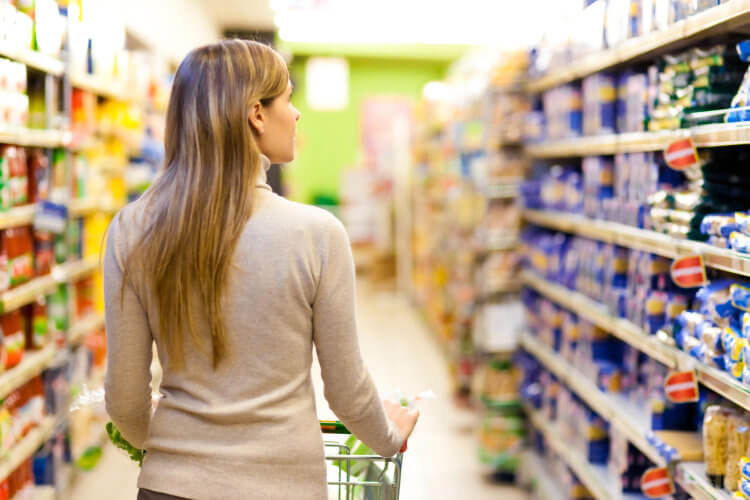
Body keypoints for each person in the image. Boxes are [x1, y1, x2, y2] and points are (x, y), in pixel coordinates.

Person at [103, 39, 419, 500]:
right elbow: (347, 392)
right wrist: (389, 436)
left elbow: (126, 401)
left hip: (167, 488)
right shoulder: (316, 234)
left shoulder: (132, 228)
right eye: (288, 99)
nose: (296, 115)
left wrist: (179, 451)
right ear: (256, 114)